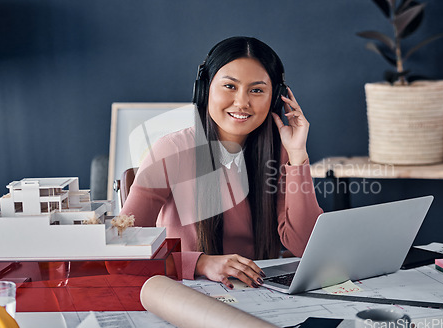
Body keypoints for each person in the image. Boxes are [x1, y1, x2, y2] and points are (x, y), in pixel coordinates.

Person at [120, 36, 323, 289]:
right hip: (185, 291)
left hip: (258, 294)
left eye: (257, 90)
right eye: (230, 86)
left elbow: (305, 245)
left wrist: (297, 155)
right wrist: (200, 263)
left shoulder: (281, 154)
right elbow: (124, 252)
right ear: (205, 90)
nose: (242, 102)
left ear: (274, 98)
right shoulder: (171, 150)